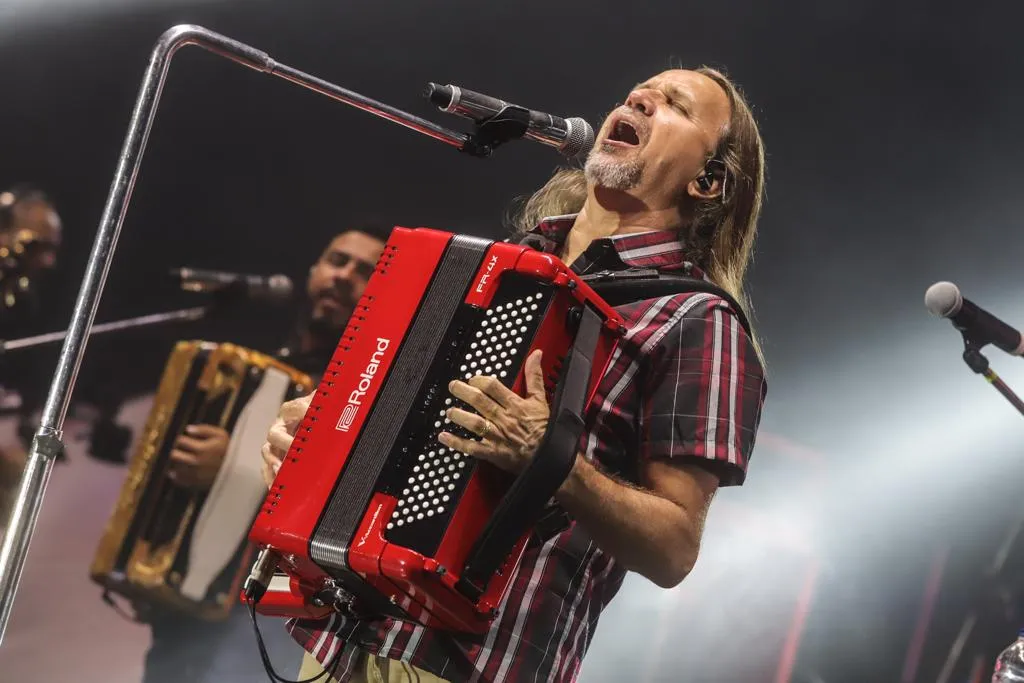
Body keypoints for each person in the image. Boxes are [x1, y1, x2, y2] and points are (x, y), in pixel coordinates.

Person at [262, 66, 768, 683]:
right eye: (638, 91)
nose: (639, 98)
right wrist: (317, 438)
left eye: (674, 105)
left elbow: (674, 548)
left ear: (708, 181)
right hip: (346, 627)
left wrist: (548, 457)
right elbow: (397, 410)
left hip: (478, 661)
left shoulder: (700, 320)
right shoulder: (509, 265)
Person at [139, 226, 388, 683]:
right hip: (187, 610)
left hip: (270, 617)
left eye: (366, 271)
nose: (343, 276)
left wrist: (231, 470)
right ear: (314, 269)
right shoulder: (266, 369)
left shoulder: (364, 393)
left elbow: (340, 508)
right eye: (337, 260)